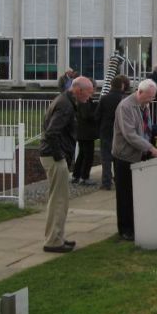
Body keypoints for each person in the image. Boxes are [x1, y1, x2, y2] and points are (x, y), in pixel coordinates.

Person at [39, 76, 94, 253]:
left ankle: (57, 237)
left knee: (59, 199)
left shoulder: (65, 101)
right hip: (55, 157)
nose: (90, 97)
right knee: (59, 200)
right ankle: (53, 241)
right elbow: (52, 133)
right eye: (89, 92)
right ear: (78, 90)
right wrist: (60, 156)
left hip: (54, 155)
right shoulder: (65, 105)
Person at [112, 79, 157, 241]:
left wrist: (155, 134)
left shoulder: (144, 105)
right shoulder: (125, 107)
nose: (150, 100)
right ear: (139, 92)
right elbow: (130, 134)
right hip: (124, 156)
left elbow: (145, 127)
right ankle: (125, 230)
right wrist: (149, 148)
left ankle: (137, 225)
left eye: (152, 97)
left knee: (138, 194)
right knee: (125, 195)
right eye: (148, 97)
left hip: (139, 155)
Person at [95, 74, 129, 190]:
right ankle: (119, 180)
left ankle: (106, 182)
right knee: (119, 157)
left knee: (106, 157)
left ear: (111, 85)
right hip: (121, 130)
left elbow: (97, 115)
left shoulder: (104, 98)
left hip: (106, 130)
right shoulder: (125, 99)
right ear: (122, 86)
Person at [72, 81, 99, 186]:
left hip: (83, 132)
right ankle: (84, 177)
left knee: (82, 155)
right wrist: (97, 112)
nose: (94, 91)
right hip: (86, 133)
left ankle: (76, 175)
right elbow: (86, 115)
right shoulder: (84, 101)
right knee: (88, 156)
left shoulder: (83, 100)